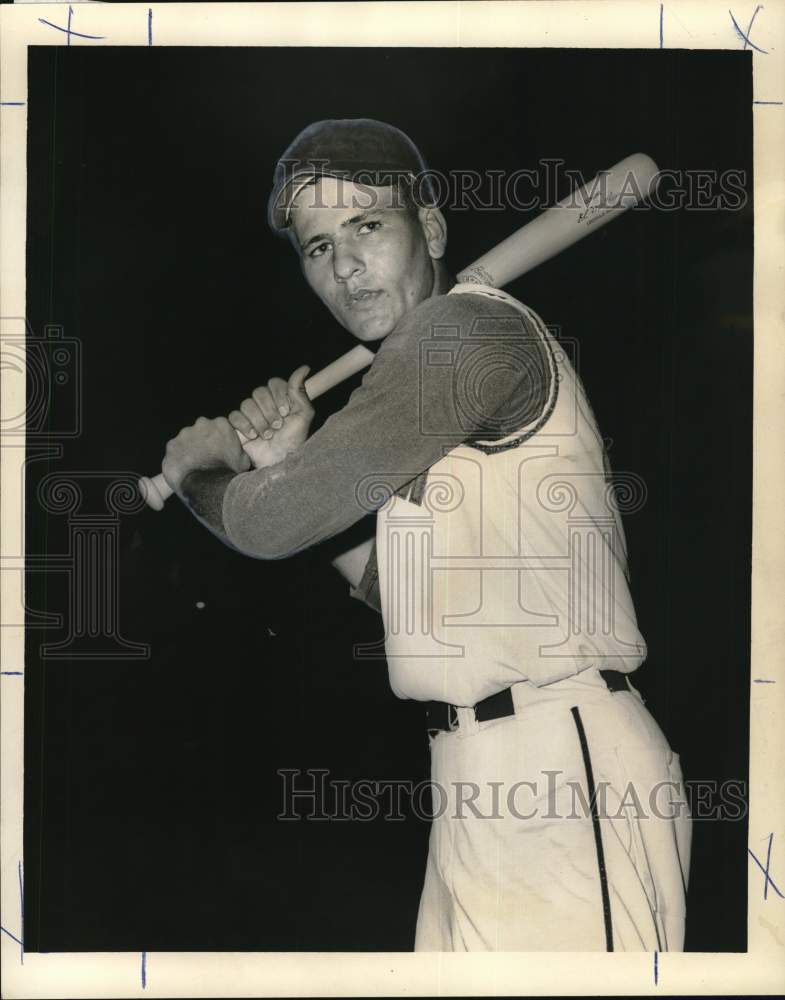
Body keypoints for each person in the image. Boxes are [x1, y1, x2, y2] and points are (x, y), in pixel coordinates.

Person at [162, 118, 691, 951]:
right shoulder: (422, 394)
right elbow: (401, 593)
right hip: (475, 777)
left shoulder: (460, 336)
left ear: (433, 229)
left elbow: (265, 527)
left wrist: (202, 471)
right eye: (316, 246)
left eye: (368, 225)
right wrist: (290, 462)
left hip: (559, 766)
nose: (343, 265)